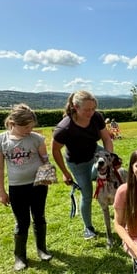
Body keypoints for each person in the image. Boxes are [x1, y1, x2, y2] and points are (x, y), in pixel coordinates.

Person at [0, 104, 52, 271]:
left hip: (38, 186)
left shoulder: (37, 139)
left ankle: (42, 250)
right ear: (12, 123)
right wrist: (1, 191)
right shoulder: (0, 141)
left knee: (39, 217)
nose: (29, 130)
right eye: (25, 127)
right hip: (17, 188)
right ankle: (20, 257)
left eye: (31, 126)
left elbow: (45, 160)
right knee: (22, 222)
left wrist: (47, 176)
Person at [52, 91, 114, 240]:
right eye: (87, 109)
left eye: (93, 109)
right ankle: (88, 228)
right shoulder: (64, 128)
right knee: (87, 194)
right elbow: (55, 150)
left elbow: (106, 139)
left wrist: (108, 157)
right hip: (77, 163)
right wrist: (65, 172)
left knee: (108, 168)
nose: (91, 113)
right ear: (75, 107)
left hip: (95, 153)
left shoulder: (97, 117)